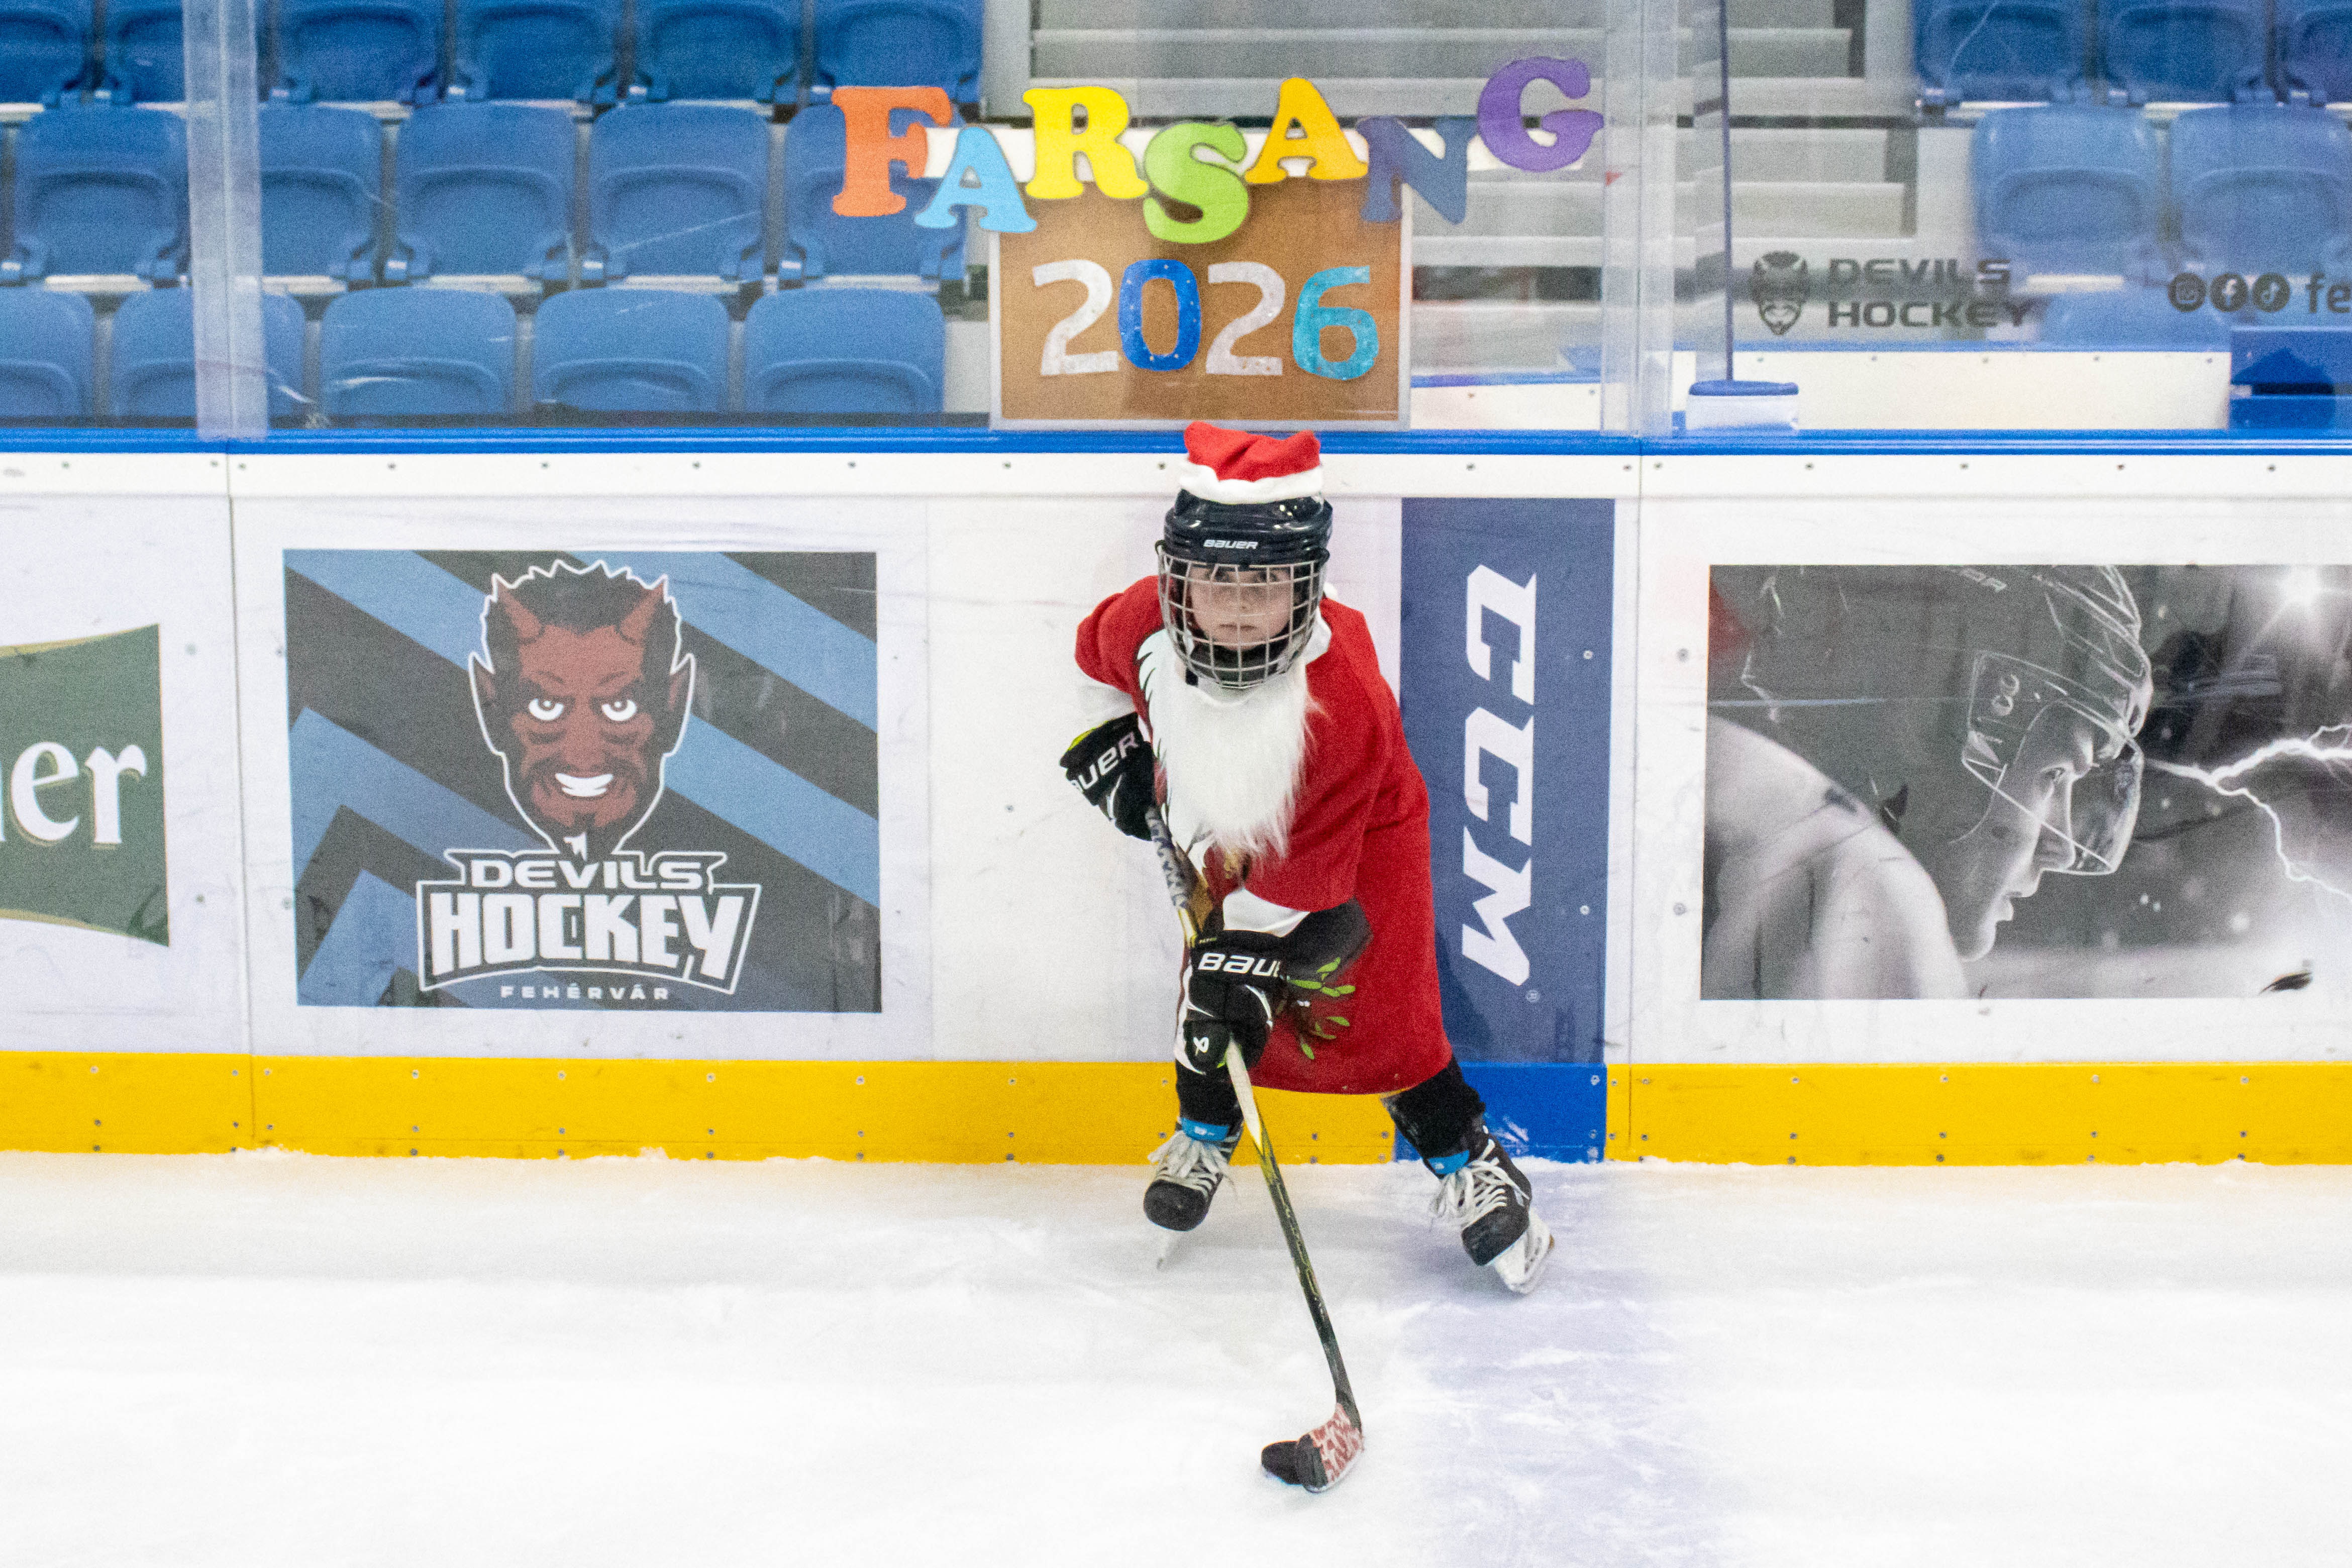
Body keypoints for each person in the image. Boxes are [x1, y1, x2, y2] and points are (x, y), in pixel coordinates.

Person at [1060, 420, 1552, 1294]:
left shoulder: (1345, 698)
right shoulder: (1142, 622)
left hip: (1360, 841)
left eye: (1266, 582)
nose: (1237, 605)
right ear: (1177, 577)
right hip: (1220, 829)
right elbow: (1087, 666)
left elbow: (1305, 880)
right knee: (1207, 998)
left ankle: (1471, 1161)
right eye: (1217, 579)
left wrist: (1243, 956)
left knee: (1380, 1011)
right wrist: (1112, 748)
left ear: (1308, 583)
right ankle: (1203, 1137)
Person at [1704, 564, 2152, 998]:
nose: (2062, 846)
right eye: (2054, 775)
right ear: (1926, 733)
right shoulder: (1868, 902)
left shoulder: (1727, 800)